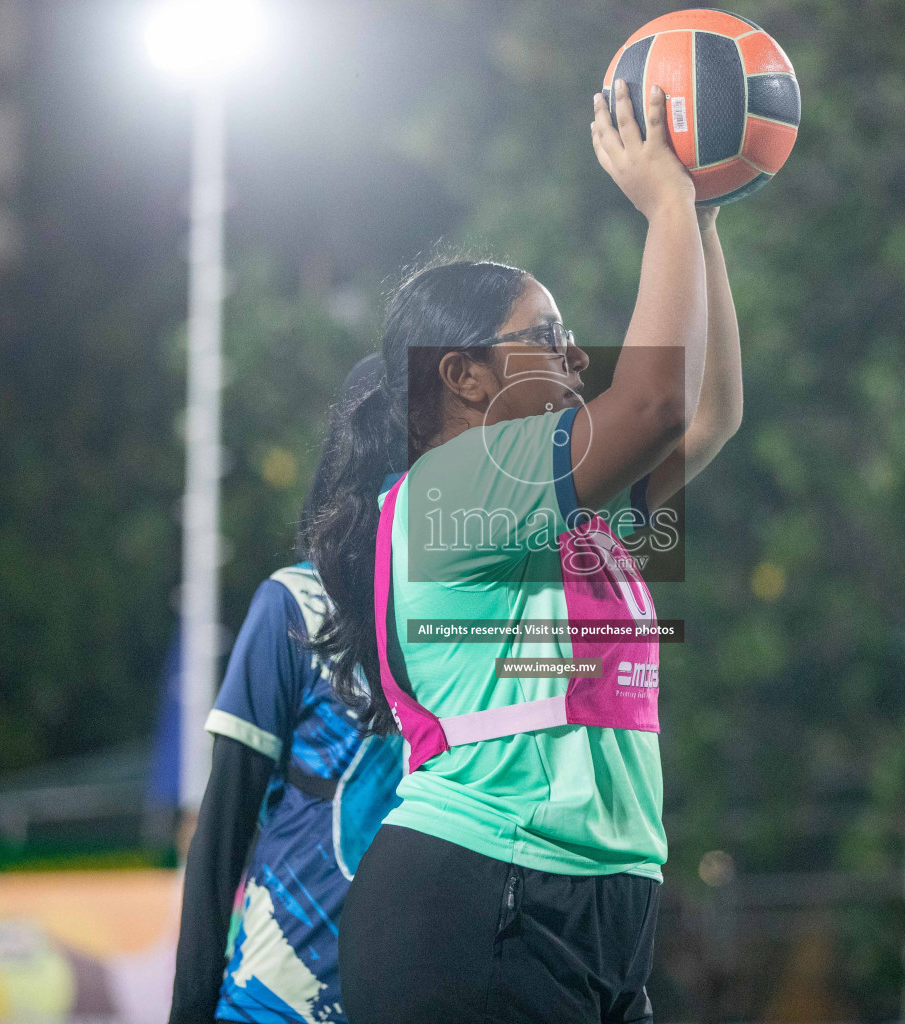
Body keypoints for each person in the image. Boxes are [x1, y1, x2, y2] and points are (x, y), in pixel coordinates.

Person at [307, 79, 743, 1023]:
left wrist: (701, 211)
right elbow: (657, 403)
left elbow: (705, 412)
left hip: (600, 901)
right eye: (545, 338)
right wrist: (663, 202)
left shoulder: (559, 516)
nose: (575, 356)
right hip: (477, 893)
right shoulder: (448, 489)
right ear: (462, 377)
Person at [168, 355, 405, 1024]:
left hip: (414, 989)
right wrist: (189, 1010)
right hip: (281, 998)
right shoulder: (296, 605)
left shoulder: (464, 618)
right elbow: (222, 832)